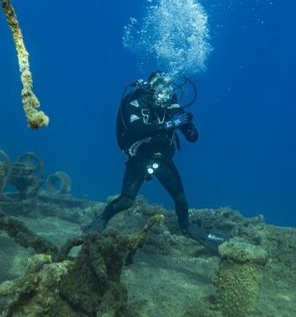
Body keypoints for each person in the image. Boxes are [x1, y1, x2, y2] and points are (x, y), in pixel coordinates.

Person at [87, 71, 216, 247]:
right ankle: (101, 220)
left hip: (162, 159)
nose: (165, 90)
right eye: (160, 85)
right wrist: (169, 124)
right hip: (139, 157)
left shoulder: (171, 102)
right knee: (126, 201)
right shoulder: (136, 100)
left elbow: (192, 137)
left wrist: (189, 128)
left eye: (167, 85)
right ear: (151, 85)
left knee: (181, 199)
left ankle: (187, 227)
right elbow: (136, 128)